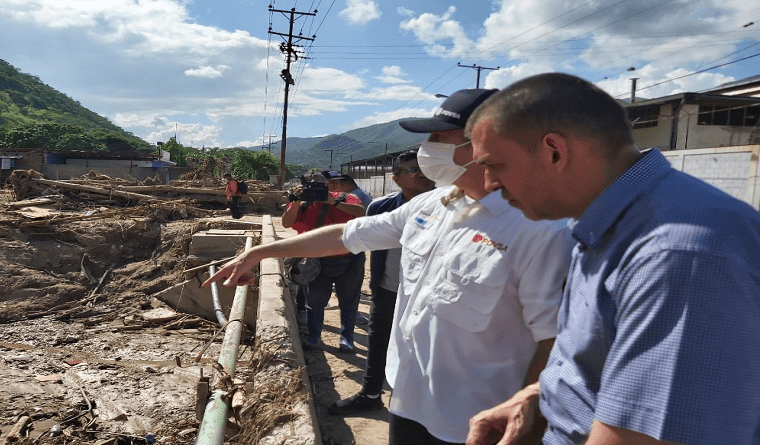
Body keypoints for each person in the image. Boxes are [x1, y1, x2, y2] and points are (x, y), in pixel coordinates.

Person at [203, 88, 573, 444]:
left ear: (485, 145)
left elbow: (554, 340)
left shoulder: (542, 229)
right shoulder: (434, 203)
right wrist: (260, 253)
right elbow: (349, 234)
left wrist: (529, 418)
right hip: (408, 399)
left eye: (439, 138)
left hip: (476, 421)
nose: (427, 150)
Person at [465, 72, 760, 445]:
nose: (489, 183)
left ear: (554, 151)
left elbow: (645, 435)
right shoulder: (607, 224)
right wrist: (538, 396)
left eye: (495, 165)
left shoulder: (676, 255)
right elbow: (606, 362)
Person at [328, 150, 435, 415]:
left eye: (425, 167)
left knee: (425, 348)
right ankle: (371, 393)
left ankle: (421, 405)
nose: (422, 174)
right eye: (413, 170)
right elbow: (356, 238)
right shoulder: (381, 207)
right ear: (397, 178)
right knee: (378, 342)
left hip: (427, 296)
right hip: (388, 288)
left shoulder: (447, 207)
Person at [281, 172, 366, 353]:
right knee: (315, 301)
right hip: (317, 261)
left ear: (328, 186)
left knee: (349, 301)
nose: (315, 190)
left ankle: (347, 339)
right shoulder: (303, 202)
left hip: (349, 258)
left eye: (319, 185)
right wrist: (296, 202)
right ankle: (313, 338)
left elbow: (362, 213)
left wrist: (332, 202)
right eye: (311, 186)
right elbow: (286, 223)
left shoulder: (346, 198)